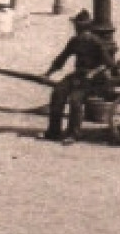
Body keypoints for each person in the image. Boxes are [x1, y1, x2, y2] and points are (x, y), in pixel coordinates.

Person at [44, 9, 116, 145]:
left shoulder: (96, 42)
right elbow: (61, 59)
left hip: (94, 80)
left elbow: (109, 64)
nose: (76, 29)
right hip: (78, 75)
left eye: (78, 27)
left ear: (84, 28)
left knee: (75, 100)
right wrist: (48, 73)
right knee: (58, 93)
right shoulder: (74, 41)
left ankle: (73, 134)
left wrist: (93, 73)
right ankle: (54, 131)